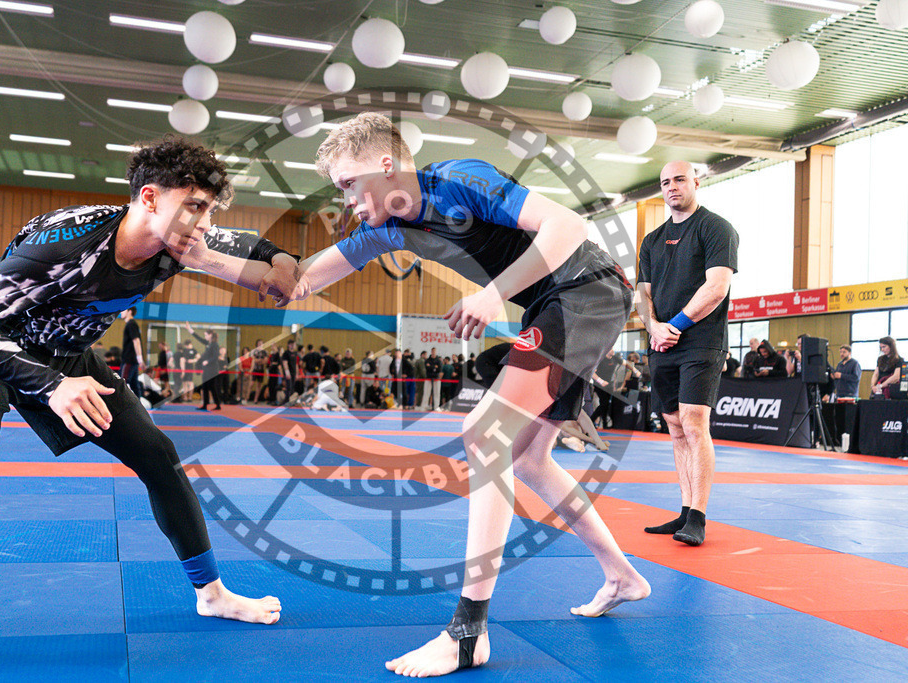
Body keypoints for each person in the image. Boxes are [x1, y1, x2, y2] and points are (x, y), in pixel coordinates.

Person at [289, 112, 649, 676]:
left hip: (587, 289)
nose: (347, 198)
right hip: (552, 305)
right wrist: (190, 253)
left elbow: (568, 228)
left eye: (348, 183)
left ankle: (467, 633)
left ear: (387, 165)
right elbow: (300, 277)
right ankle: (622, 574)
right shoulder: (387, 229)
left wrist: (493, 292)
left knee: (484, 435)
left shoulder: (458, 178)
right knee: (528, 459)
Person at [0, 137, 300, 624]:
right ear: (149, 198)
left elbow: (242, 241)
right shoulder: (64, 244)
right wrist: (52, 386)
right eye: (195, 207)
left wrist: (281, 258)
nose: (205, 224)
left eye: (209, 210)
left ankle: (212, 596)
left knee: (160, 458)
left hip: (68, 352)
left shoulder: (178, 241)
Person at [636, 160, 738, 548]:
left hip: (701, 339)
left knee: (695, 423)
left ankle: (698, 516)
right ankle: (684, 510)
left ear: (696, 181)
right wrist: (653, 327)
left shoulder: (716, 228)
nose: (672, 186)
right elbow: (642, 295)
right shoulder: (652, 239)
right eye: (665, 182)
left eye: (679, 179)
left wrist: (674, 325)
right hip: (661, 341)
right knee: (675, 427)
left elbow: (717, 287)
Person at [186, 322, 221, 411]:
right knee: (206, 387)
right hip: (207, 369)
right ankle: (206, 404)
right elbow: (199, 339)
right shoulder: (208, 343)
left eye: (206, 335)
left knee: (211, 387)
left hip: (213, 369)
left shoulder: (215, 345)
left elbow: (216, 356)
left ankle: (216, 404)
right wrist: (191, 331)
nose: (205, 336)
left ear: (210, 335)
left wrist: (207, 361)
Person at [119, 306, 144, 397]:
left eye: (124, 310)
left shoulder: (131, 324)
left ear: (130, 311)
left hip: (129, 359)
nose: (121, 312)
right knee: (134, 384)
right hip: (132, 360)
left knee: (122, 383)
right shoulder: (132, 324)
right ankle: (139, 407)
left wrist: (140, 359)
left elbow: (136, 341)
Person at [423, 347, 442, 412]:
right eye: (432, 351)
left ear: (436, 352)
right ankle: (424, 406)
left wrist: (431, 367)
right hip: (428, 377)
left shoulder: (438, 361)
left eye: (434, 351)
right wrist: (434, 367)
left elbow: (439, 369)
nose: (433, 352)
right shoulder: (427, 360)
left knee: (437, 393)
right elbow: (427, 368)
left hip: (436, 378)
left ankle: (436, 406)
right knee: (426, 393)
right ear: (431, 352)